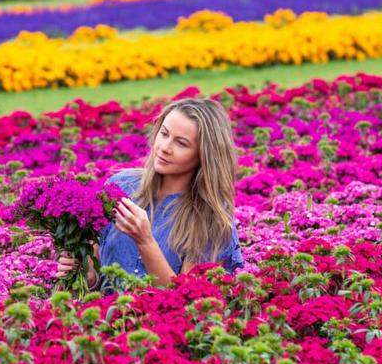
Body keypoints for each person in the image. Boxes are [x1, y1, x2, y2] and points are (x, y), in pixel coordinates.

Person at [56, 97, 244, 290]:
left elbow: (188, 301)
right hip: (103, 318)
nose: (164, 147)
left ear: (204, 156)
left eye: (181, 143)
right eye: (164, 133)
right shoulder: (120, 186)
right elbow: (95, 273)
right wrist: (86, 274)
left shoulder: (211, 220)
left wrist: (145, 241)